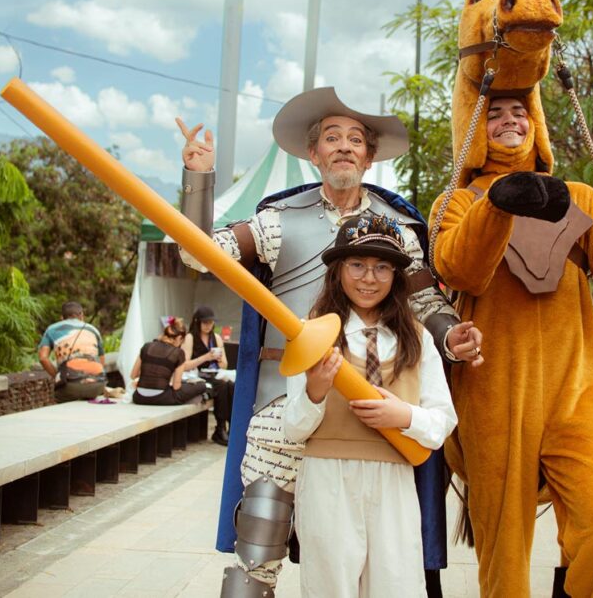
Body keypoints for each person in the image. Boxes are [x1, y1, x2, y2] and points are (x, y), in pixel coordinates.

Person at [175, 87, 482, 598]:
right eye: (332, 137)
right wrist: (198, 180)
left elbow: (425, 306)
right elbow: (198, 256)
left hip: (373, 410)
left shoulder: (399, 231)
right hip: (285, 402)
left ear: (369, 154)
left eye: (355, 138)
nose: (344, 146)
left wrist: (453, 338)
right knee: (259, 549)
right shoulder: (277, 221)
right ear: (313, 153)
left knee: (386, 562)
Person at [432, 90, 593, 594]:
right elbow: (459, 270)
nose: (509, 121)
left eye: (521, 112)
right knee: (504, 548)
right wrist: (496, 206)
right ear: (474, 130)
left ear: (537, 124)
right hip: (491, 389)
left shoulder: (579, 194)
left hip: (576, 386)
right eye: (494, 114)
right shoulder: (455, 201)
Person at [284, 216, 457, 596]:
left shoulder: (418, 337)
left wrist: (404, 416)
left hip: (393, 481)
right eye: (357, 265)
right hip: (328, 479)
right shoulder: (312, 333)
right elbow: (292, 428)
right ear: (338, 271)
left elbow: (444, 418)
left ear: (397, 275)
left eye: (382, 267)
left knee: (396, 585)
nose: (369, 278)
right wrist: (314, 390)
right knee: (330, 585)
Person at [181, 305, 233, 445]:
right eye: (205, 323)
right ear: (197, 322)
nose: (208, 326)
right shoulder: (190, 338)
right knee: (222, 386)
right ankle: (220, 427)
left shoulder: (216, 338)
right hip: (197, 375)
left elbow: (225, 365)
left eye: (210, 323)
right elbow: (184, 365)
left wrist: (219, 359)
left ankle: (231, 426)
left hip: (215, 373)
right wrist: (205, 357)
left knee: (231, 385)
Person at [38, 301, 106, 403]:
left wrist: (58, 375)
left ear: (62, 318)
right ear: (82, 315)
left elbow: (43, 358)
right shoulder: (93, 330)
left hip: (70, 386)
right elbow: (101, 361)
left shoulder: (52, 329)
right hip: (97, 385)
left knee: (59, 398)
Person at [130, 317, 207, 406]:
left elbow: (133, 375)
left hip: (139, 397)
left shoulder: (146, 347)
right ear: (179, 338)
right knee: (201, 385)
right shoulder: (178, 353)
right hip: (160, 397)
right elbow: (176, 386)